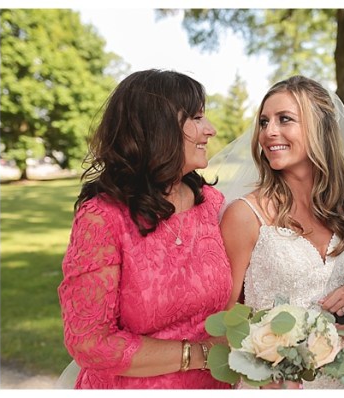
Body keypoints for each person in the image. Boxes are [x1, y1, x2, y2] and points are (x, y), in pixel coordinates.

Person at [57, 69, 232, 389]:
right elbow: (90, 343)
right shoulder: (103, 218)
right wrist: (201, 353)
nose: (211, 129)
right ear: (157, 128)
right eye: (196, 118)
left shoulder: (211, 203)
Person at [218, 76, 344, 389]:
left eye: (285, 119)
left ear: (320, 128)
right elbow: (225, 314)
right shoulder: (245, 215)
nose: (269, 132)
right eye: (264, 121)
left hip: (340, 378)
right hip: (271, 383)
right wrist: (261, 371)